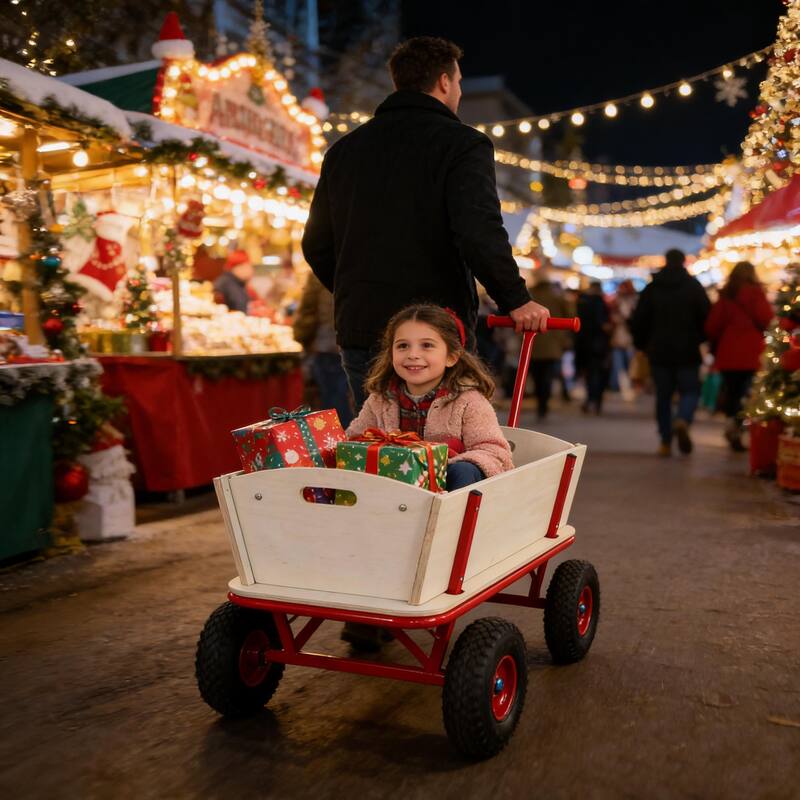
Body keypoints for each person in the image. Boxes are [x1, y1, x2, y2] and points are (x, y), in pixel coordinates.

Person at [301, 36, 549, 412]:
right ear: (444, 82)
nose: (459, 91)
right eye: (459, 82)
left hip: (363, 327)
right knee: (442, 439)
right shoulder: (462, 144)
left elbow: (317, 243)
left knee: (376, 439)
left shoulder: (343, 151)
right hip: (438, 330)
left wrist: (359, 288)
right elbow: (478, 230)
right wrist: (516, 299)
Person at [341, 304, 514, 652]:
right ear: (390, 353)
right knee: (353, 478)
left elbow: (495, 451)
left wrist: (439, 462)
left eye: (427, 346)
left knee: (465, 470)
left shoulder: (468, 401)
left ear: (451, 356)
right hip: (390, 502)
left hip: (444, 500)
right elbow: (354, 438)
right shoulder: (381, 399)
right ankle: (367, 610)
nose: (413, 355)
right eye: (402, 346)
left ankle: (447, 555)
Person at [631, 249, 711, 456]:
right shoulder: (693, 287)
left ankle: (665, 441)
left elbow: (639, 319)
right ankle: (683, 418)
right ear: (684, 262)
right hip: (687, 349)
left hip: (659, 350)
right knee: (690, 391)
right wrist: (700, 339)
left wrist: (642, 344)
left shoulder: (653, 287)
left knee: (663, 395)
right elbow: (706, 316)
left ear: (665, 261)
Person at [705, 261, 773, 451]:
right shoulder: (757, 293)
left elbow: (712, 326)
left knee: (731, 391)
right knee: (748, 392)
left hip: (728, 351)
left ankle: (731, 422)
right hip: (752, 351)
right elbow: (767, 319)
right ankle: (739, 425)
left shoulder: (726, 295)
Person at [292, 272, 354, 428]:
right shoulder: (359, 268)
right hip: (352, 344)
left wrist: (301, 336)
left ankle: (338, 439)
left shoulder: (319, 275)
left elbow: (308, 311)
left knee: (333, 404)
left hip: (327, 346)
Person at [529, 272, 571, 419]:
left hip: (533, 342)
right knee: (548, 375)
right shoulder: (557, 297)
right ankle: (544, 403)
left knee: (537, 375)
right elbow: (569, 314)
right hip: (553, 342)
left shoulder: (530, 296)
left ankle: (540, 403)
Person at [575, 282, 611, 415]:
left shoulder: (582, 302)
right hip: (600, 344)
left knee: (590, 374)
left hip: (585, 344)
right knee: (599, 373)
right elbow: (603, 324)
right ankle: (596, 401)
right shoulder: (600, 303)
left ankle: (590, 399)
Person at [608, 279, 638, 400]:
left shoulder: (634, 301)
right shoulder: (616, 301)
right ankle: (617, 385)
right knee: (618, 365)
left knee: (630, 365)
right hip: (618, 338)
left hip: (629, 338)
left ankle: (629, 385)